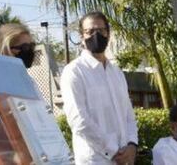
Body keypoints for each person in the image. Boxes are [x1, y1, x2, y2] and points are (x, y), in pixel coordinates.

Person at [60, 11, 139, 164]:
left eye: (101, 30)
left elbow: (129, 115)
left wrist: (132, 145)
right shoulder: (74, 71)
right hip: (95, 160)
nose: (96, 35)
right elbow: (78, 120)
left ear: (108, 34)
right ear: (82, 37)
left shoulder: (117, 73)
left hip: (124, 158)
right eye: (90, 31)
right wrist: (113, 151)